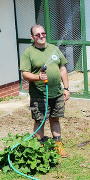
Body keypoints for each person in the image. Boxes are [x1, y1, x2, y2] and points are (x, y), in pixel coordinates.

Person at [20, 24, 70, 157]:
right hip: (39, 95)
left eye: (43, 33)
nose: (41, 36)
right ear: (32, 37)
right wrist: (38, 77)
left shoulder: (54, 49)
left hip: (57, 93)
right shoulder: (28, 53)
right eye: (38, 35)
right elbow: (25, 74)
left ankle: (58, 145)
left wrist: (66, 88)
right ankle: (39, 147)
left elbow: (62, 69)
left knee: (55, 119)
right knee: (39, 120)